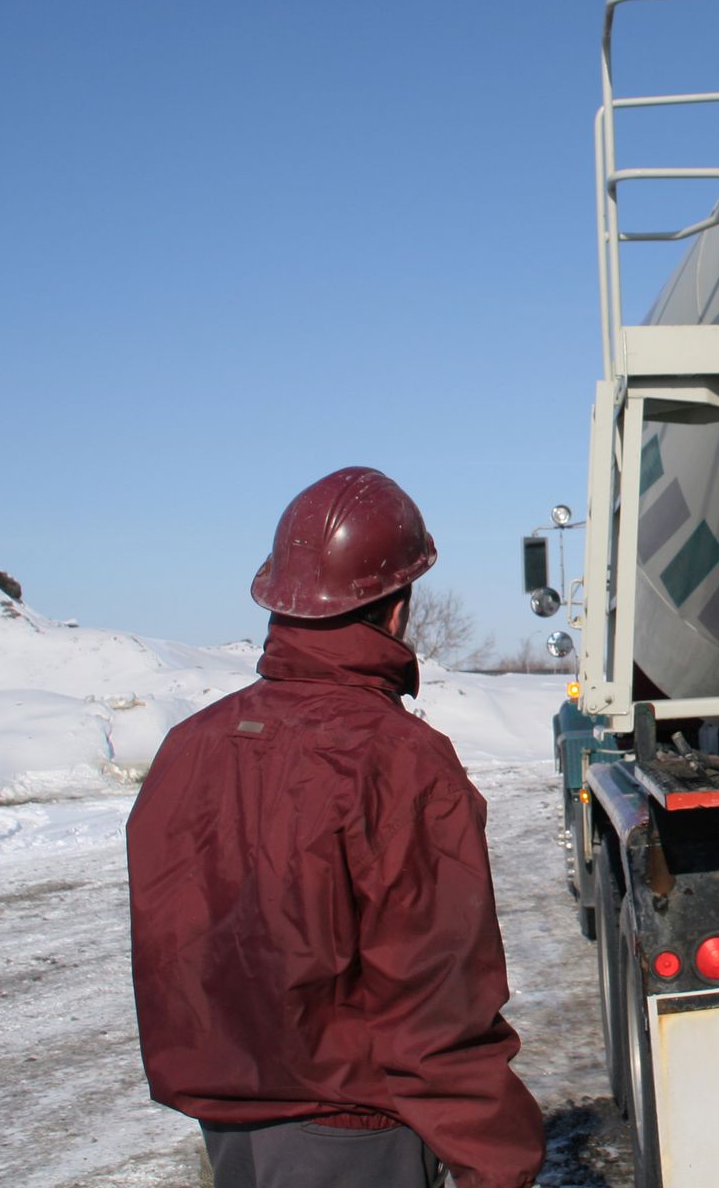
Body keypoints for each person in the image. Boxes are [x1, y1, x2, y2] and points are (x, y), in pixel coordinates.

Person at [127, 466, 544, 1188]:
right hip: (354, 1134)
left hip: (230, 1129)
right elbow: (436, 1001)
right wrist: (496, 1162)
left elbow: (176, 950)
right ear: (397, 608)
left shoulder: (187, 747)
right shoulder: (400, 762)